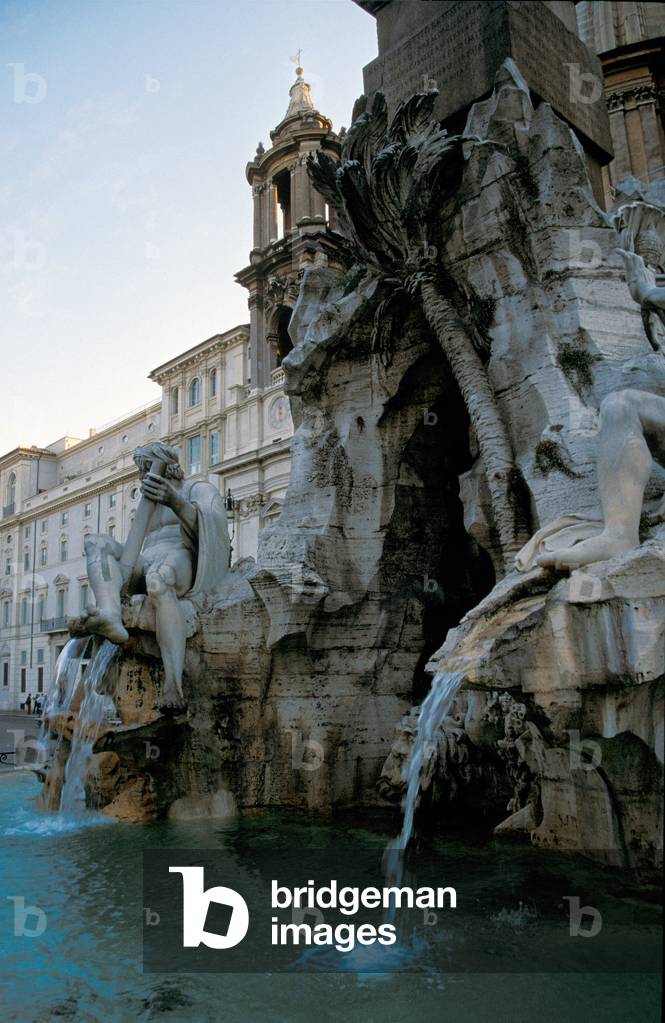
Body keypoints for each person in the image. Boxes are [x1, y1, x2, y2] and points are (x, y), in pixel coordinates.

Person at [70, 442, 231, 711]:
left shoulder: (198, 488)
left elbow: (215, 531)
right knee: (96, 544)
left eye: (146, 469)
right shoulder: (148, 505)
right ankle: (110, 615)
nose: (143, 477)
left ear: (169, 468)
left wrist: (176, 502)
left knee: (158, 580)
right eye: (140, 472)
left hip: (181, 556)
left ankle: (173, 685)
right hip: (147, 559)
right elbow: (133, 551)